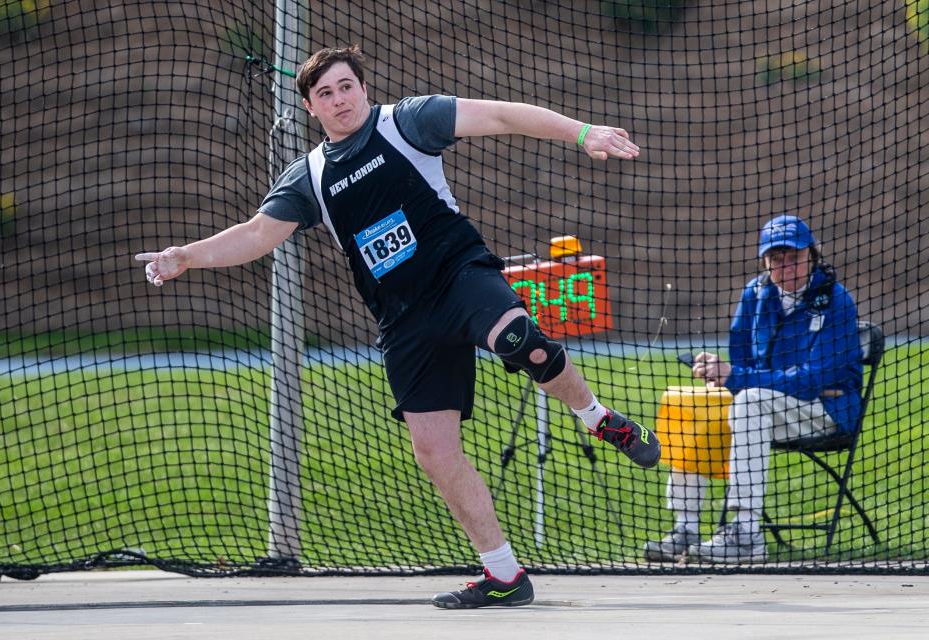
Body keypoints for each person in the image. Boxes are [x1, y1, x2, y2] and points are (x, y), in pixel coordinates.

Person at [136, 45, 660, 607]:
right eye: (325, 94)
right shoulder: (308, 177)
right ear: (311, 108)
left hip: (460, 274)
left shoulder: (410, 121)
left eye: (345, 86)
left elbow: (503, 115)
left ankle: (599, 418)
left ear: (363, 86)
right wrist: (186, 256)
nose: (339, 99)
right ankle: (505, 576)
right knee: (433, 452)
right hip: (404, 319)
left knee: (517, 339)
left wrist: (583, 134)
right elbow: (256, 234)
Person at [644, 214, 862, 563]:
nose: (786, 267)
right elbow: (740, 360)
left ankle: (747, 534)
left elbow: (812, 381)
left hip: (828, 410)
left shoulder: (835, 300)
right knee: (687, 402)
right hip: (766, 404)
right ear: (765, 262)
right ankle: (685, 528)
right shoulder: (755, 293)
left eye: (794, 256)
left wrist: (739, 377)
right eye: (776, 259)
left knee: (749, 401)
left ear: (813, 255)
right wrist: (718, 370)